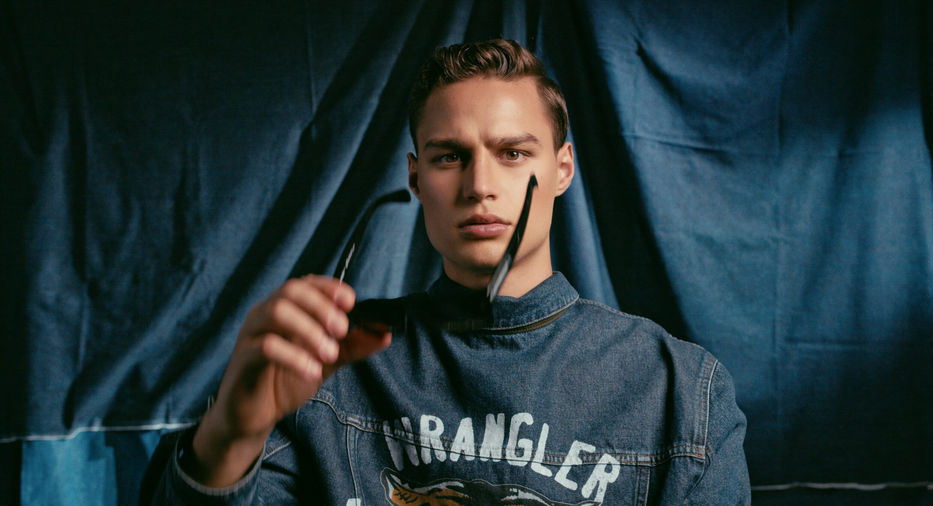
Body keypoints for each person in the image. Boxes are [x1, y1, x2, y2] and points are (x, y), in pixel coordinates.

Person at [144, 38, 750, 505]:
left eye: (513, 153)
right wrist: (231, 433)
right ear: (416, 177)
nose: (480, 185)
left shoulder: (679, 393)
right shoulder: (322, 369)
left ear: (562, 169)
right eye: (450, 157)